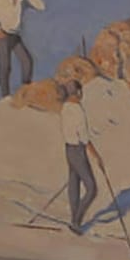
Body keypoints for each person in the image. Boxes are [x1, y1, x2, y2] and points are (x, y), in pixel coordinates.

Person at [0, 0, 44, 98]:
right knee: (5, 65)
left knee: (27, 61)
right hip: (3, 35)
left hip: (15, 36)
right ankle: (4, 95)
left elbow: (41, 6)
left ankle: (25, 88)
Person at [58, 80, 96, 235]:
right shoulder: (78, 109)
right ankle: (76, 221)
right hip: (78, 151)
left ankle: (74, 220)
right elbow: (84, 137)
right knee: (91, 188)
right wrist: (96, 156)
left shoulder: (65, 108)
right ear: (78, 92)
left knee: (74, 183)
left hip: (69, 149)